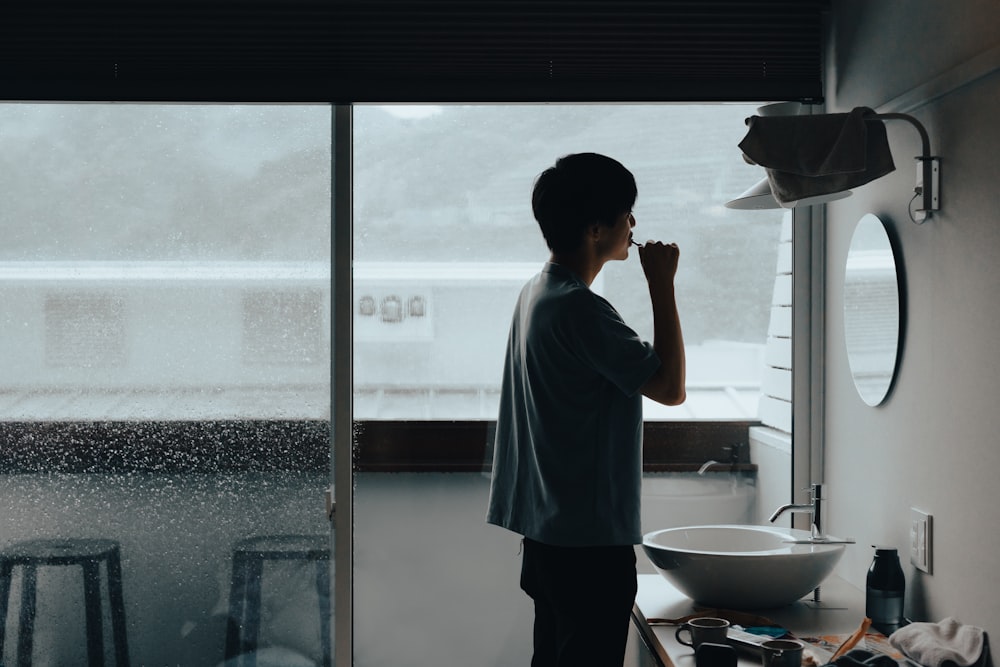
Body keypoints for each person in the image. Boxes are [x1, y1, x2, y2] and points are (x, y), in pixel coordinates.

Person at [486, 152, 686, 666]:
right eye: (627, 214)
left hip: (547, 536)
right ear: (598, 229)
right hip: (589, 547)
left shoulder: (537, 292)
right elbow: (669, 387)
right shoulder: (579, 307)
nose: (633, 225)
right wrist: (662, 284)